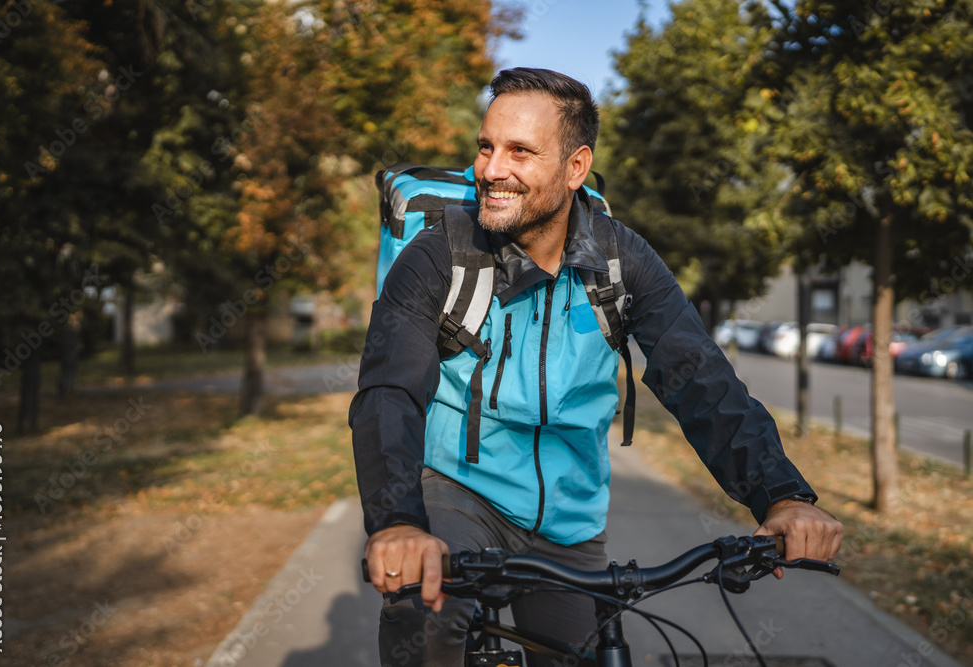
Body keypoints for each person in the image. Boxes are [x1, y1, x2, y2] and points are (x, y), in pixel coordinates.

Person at [349, 67, 843, 666]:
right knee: (422, 613)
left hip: (568, 515)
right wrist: (398, 522)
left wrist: (781, 496)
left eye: (520, 152)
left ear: (575, 167)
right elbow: (388, 392)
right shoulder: (439, 255)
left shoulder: (621, 263)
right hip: (457, 492)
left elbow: (700, 380)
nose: (490, 169)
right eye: (486, 147)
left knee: (589, 653)